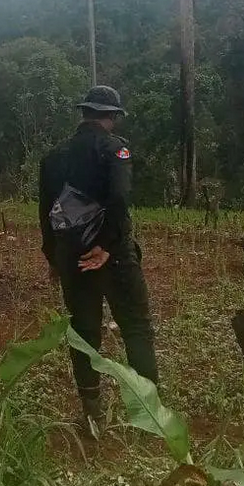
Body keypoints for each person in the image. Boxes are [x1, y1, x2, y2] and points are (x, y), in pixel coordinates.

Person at [38, 84, 159, 438]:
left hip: (72, 257)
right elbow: (119, 199)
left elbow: (46, 212)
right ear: (112, 117)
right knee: (135, 327)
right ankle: (148, 416)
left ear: (84, 113)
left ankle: (92, 417)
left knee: (83, 333)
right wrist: (107, 245)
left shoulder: (53, 156)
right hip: (114, 255)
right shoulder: (114, 150)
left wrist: (54, 257)